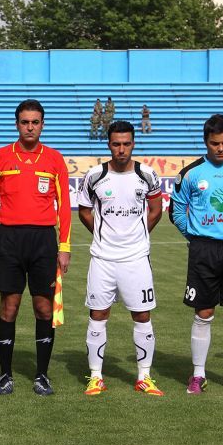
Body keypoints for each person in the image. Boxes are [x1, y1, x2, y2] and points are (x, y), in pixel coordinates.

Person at [0, 99, 71, 396]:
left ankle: (42, 375)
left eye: (35, 122)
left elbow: (64, 206)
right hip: (10, 239)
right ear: (17, 124)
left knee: (43, 308)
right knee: (9, 306)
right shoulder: (1, 157)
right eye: (24, 122)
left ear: (42, 125)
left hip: (44, 241)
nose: (29, 127)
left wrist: (64, 246)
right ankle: (5, 374)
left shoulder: (54, 159)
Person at [169, 114, 223, 396]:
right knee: (204, 311)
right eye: (215, 143)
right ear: (205, 142)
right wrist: (195, 236)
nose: (220, 148)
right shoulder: (191, 173)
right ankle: (198, 375)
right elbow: (176, 210)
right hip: (203, 250)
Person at [77, 120, 164, 397]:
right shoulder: (95, 175)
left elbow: (156, 209)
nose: (122, 149)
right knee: (98, 314)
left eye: (126, 144)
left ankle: (144, 377)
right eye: (116, 144)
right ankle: (95, 377)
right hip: (103, 259)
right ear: (109, 145)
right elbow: (84, 210)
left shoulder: (147, 175)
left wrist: (138, 236)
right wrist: (103, 234)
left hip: (136, 258)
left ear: (133, 144)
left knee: (142, 315)